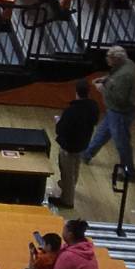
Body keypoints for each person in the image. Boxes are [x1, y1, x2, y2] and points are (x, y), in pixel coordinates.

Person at [83, 45, 135, 183]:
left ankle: (129, 171)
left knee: (122, 142)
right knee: (102, 132)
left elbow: (120, 98)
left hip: (120, 112)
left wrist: (102, 88)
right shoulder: (127, 64)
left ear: (116, 59)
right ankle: (87, 154)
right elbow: (114, 77)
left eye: (109, 57)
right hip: (116, 111)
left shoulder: (125, 75)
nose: (107, 59)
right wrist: (106, 79)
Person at [50, 79, 100, 210]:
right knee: (76, 166)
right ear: (89, 92)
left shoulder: (71, 111)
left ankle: (67, 200)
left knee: (66, 171)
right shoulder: (94, 106)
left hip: (69, 145)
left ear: (76, 91)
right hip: (83, 143)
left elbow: (60, 130)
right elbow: (94, 121)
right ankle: (71, 186)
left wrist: (58, 121)